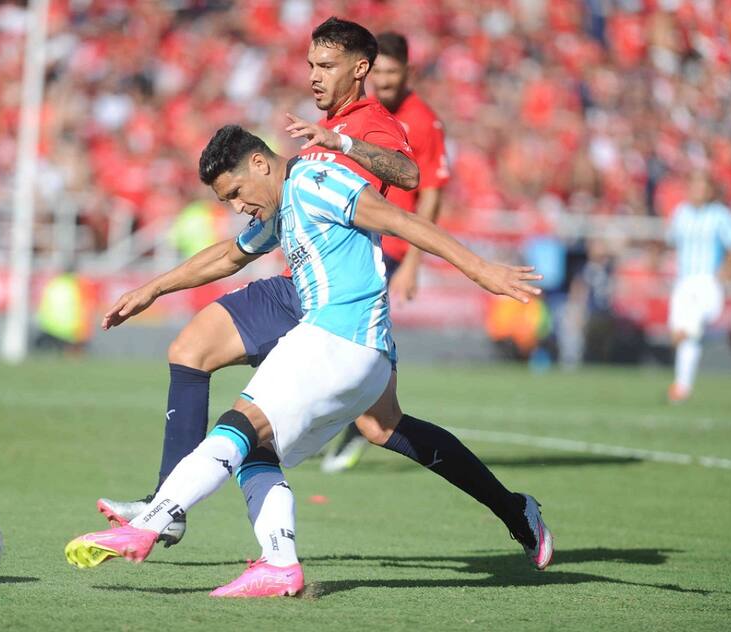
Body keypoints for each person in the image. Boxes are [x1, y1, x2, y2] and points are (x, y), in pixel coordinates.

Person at [97, 18, 546, 575]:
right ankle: (171, 504)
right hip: (303, 286)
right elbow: (236, 250)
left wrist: (346, 144)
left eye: (326, 65)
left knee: (379, 426)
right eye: (310, 64)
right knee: (191, 350)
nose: (313, 75)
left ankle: (512, 509)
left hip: (344, 297)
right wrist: (153, 287)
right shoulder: (318, 138)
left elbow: (407, 176)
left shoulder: (370, 124)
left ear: (360, 69)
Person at [322, 31, 451, 472]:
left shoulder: (424, 121)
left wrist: (414, 261)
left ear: (408, 72)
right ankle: (351, 418)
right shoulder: (362, 113)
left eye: (393, 73)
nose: (385, 81)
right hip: (354, 234)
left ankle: (364, 421)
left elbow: (430, 194)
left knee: (358, 332)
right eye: (379, 73)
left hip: (391, 243)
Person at [666, 171, 731, 402]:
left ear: (710, 191)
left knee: (688, 330)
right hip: (683, 281)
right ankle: (724, 333)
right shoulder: (681, 213)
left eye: (702, 187)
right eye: (694, 186)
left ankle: (681, 387)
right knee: (679, 337)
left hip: (706, 281)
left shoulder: (720, 215)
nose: (696, 191)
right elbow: (671, 241)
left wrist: (728, 270)